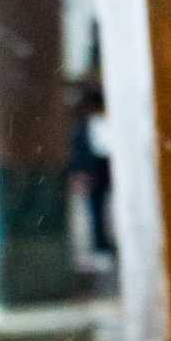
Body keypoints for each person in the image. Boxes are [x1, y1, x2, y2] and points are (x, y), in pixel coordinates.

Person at [68, 87, 115, 261]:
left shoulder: (108, 122)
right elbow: (78, 151)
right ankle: (100, 244)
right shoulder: (82, 127)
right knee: (96, 210)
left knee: (109, 208)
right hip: (94, 170)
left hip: (107, 167)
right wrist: (80, 172)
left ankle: (108, 242)